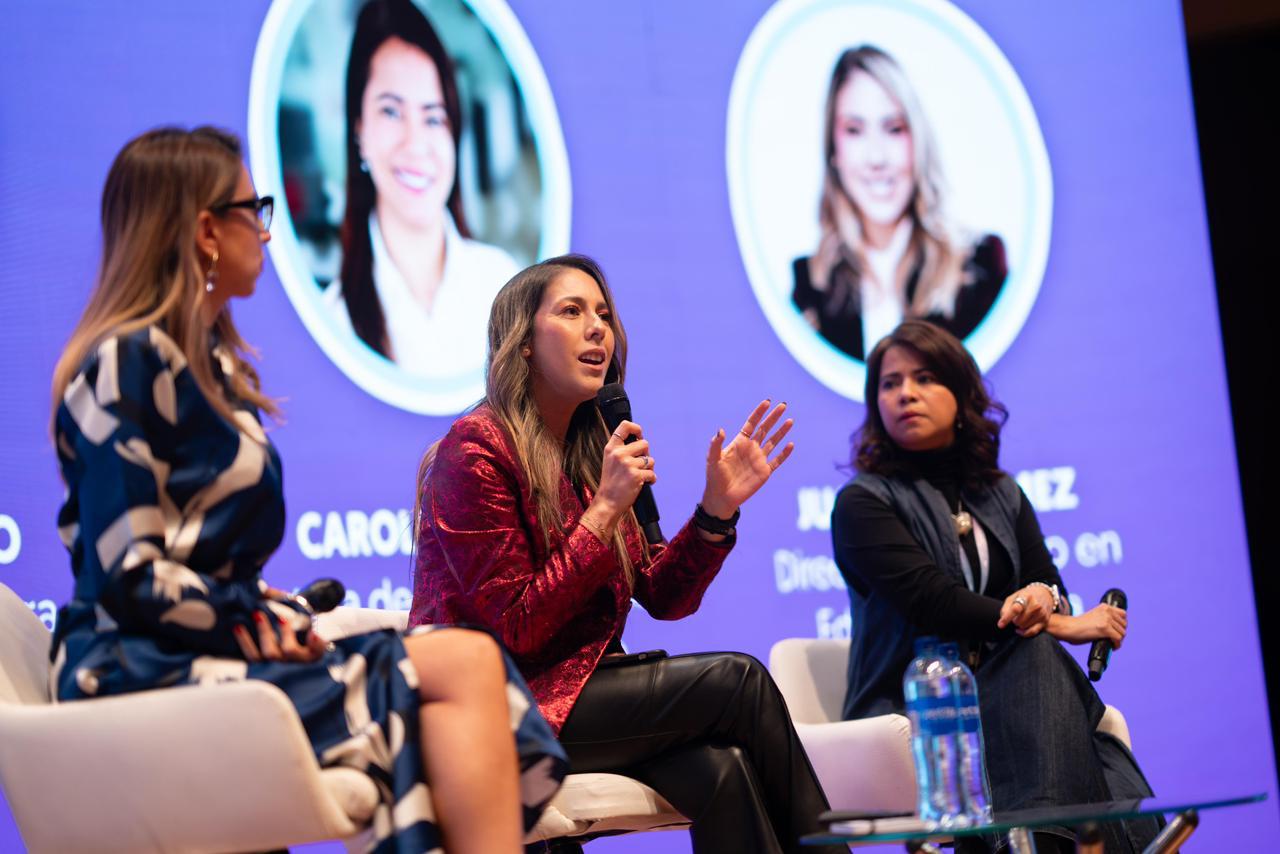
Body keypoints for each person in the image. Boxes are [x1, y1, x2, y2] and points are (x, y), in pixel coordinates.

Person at [49, 126, 565, 854]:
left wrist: (267, 608)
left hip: (203, 649)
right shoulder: (126, 361)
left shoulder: (210, 369)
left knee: (469, 661)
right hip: (135, 667)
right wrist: (250, 620)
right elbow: (129, 575)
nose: (265, 228)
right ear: (204, 230)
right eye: (251, 207)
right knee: (441, 672)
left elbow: (194, 563)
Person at [411, 255, 846, 854]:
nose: (598, 328)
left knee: (723, 771)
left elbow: (663, 596)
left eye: (604, 315)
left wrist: (715, 511)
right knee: (739, 682)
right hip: (500, 707)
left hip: (580, 692)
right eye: (571, 311)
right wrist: (605, 510)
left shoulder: (598, 448)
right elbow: (516, 626)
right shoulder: (476, 450)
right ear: (524, 343)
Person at [831, 320, 1159, 852]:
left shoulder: (1000, 493)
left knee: (1035, 661)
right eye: (890, 384)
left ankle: (1033, 842)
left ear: (962, 397)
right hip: (917, 701)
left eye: (925, 378)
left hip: (1010, 696)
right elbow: (932, 602)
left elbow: (1045, 579)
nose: (905, 394)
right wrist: (1062, 622)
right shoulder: (864, 502)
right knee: (1041, 660)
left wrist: (1046, 600)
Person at [323, 0, 519, 378]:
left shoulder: (504, 285)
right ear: (358, 130)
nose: (415, 143)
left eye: (433, 117)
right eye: (392, 111)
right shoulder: (335, 319)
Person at [792, 46, 1007, 361]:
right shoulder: (810, 288)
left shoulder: (980, 266)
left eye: (894, 129)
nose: (877, 157)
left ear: (917, 142)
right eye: (854, 131)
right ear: (833, 151)